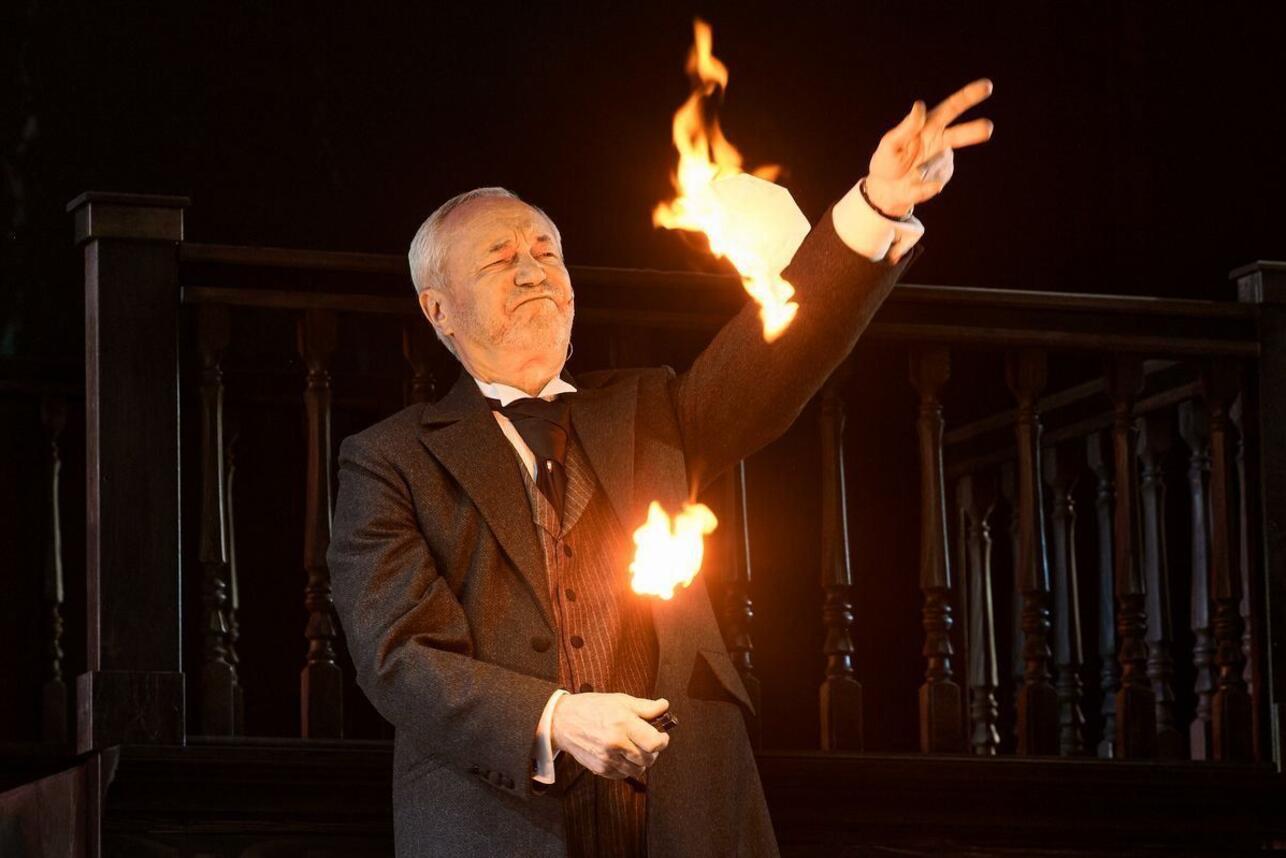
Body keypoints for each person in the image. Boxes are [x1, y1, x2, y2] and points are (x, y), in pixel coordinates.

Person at [328, 78, 993, 857]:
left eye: (546, 252)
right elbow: (401, 658)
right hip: (495, 822)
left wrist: (877, 206)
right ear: (439, 309)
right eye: (500, 259)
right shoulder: (389, 460)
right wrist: (555, 720)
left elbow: (781, 347)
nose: (533, 271)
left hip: (688, 814)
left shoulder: (654, 409)